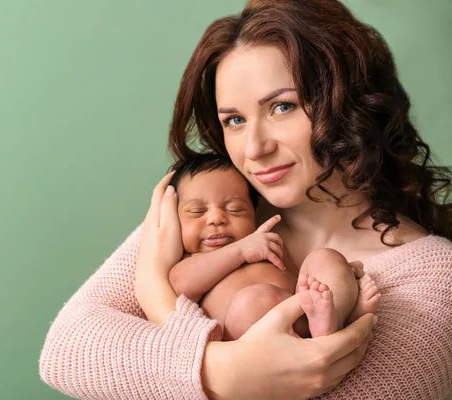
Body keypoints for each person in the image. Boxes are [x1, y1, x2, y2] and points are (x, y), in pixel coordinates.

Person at [40, 0, 452, 399]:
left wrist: (156, 297)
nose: (253, 148)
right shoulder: (223, 216)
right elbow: (66, 350)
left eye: (282, 106)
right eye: (234, 120)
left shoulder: (434, 278)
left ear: (352, 105)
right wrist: (226, 370)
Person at [166, 153, 380, 340]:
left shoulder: (265, 242)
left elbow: (299, 279)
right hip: (258, 340)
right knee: (252, 301)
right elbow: (181, 285)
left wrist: (338, 275)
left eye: (235, 209)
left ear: (255, 212)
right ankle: (334, 326)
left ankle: (337, 317)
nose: (216, 219)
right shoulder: (189, 261)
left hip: (305, 311)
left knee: (325, 257)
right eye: (196, 212)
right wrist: (240, 251)